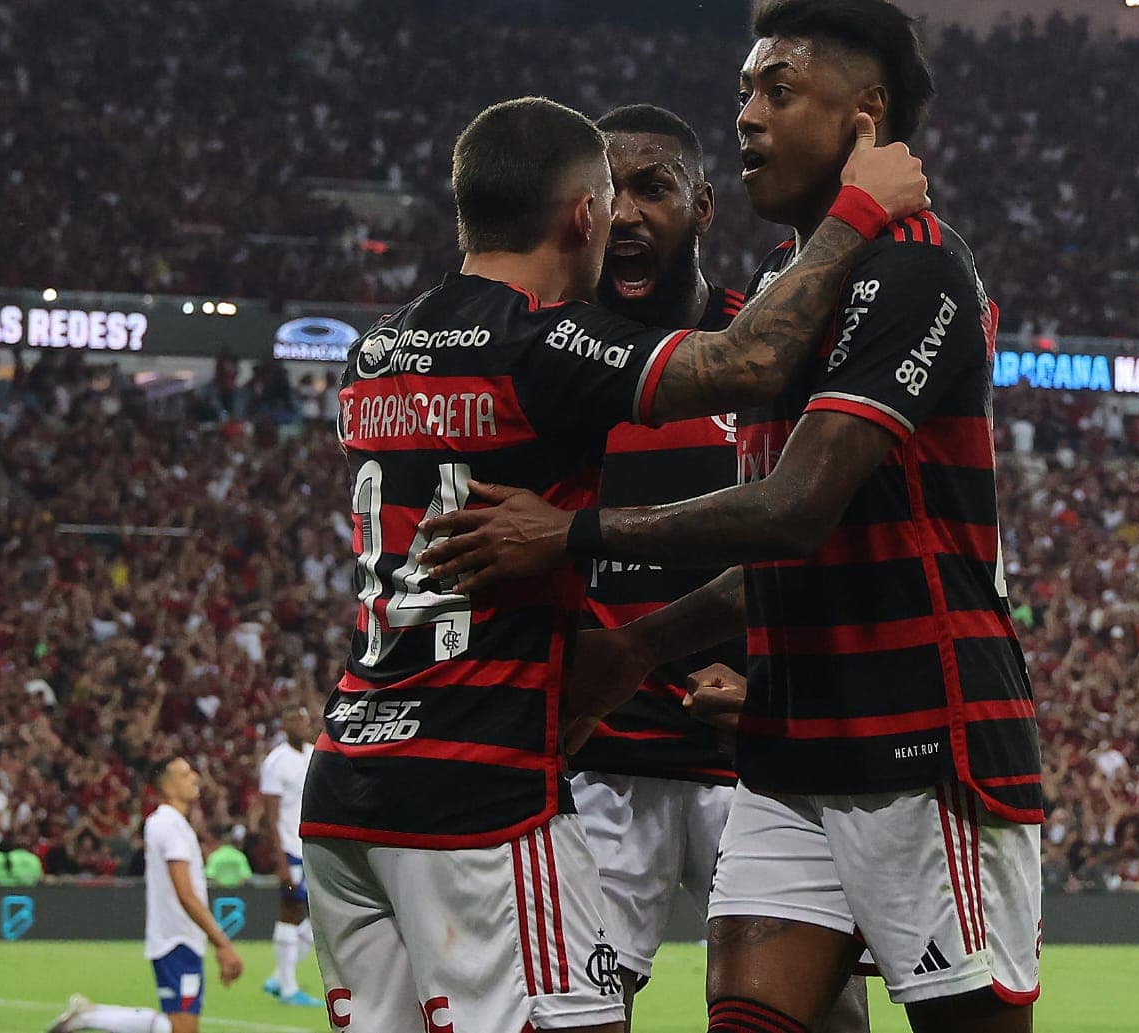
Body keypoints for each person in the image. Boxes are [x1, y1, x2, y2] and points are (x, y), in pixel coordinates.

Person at [417, 3, 1041, 1030]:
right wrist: (643, 645)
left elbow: (794, 513)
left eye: (778, 92)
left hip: (921, 736)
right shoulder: (784, 300)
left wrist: (573, 534)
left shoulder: (915, 267)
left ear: (864, 115)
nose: (749, 116)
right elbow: (793, 556)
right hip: (788, 746)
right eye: (744, 93)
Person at [298, 94, 927, 1033]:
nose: (624, 219)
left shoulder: (378, 349)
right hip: (485, 778)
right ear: (583, 215)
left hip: (353, 777)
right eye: (611, 196)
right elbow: (750, 363)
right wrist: (859, 213)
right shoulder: (544, 343)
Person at [572, 103, 868, 1031]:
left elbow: (826, 530)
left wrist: (773, 676)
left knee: (819, 1017)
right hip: (603, 761)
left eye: (650, 187)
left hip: (759, 749)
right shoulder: (553, 363)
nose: (624, 213)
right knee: (572, 1011)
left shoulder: (773, 349)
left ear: (703, 208)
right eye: (604, 192)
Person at [49, 757, 243, 1033]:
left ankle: (89, 1015)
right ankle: (89, 1017)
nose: (195, 778)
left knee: (182, 1027)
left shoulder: (173, 824)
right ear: (166, 785)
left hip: (183, 939)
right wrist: (222, 943)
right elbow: (185, 894)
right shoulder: (168, 825)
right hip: (175, 940)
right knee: (182, 1028)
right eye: (185, 774)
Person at [258, 702, 320, 1008]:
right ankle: (287, 988)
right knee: (291, 911)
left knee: (318, 916)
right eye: (293, 720)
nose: (300, 724)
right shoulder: (275, 762)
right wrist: (280, 860)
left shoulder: (315, 753)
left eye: (303, 719)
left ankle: (279, 978)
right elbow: (270, 816)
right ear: (283, 726)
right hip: (290, 849)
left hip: (313, 846)